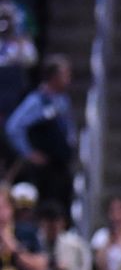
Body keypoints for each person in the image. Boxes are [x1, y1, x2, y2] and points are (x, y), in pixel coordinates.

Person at [6, 54, 76, 211]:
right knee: (47, 207)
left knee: (64, 206)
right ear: (53, 77)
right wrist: (28, 152)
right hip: (46, 169)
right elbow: (13, 127)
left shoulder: (63, 100)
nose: (69, 79)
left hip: (62, 164)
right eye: (65, 74)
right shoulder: (36, 100)